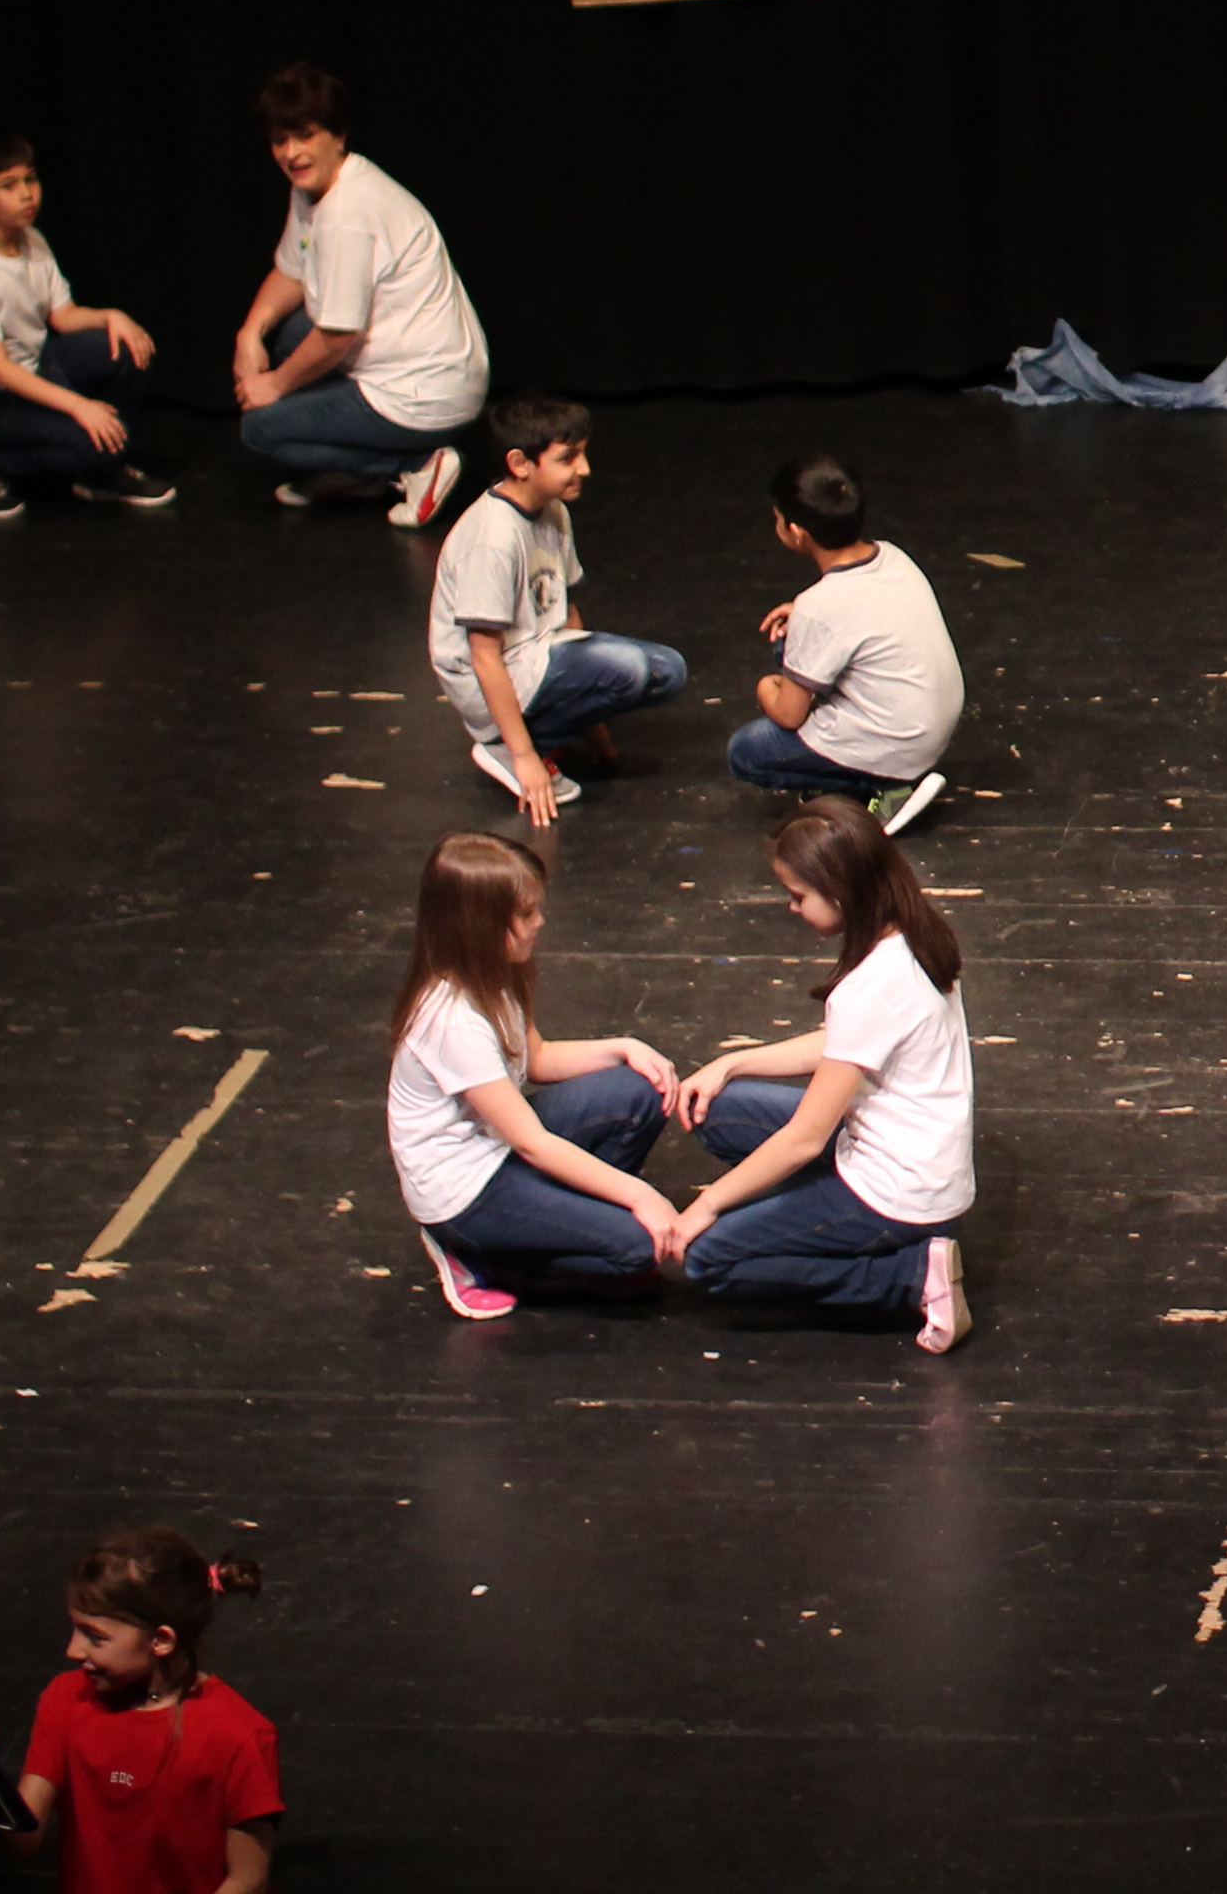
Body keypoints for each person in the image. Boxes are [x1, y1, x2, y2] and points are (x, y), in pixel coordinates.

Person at [665, 801, 981, 1354]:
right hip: (919, 1163)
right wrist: (731, 1063)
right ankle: (815, 1218)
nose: (792, 907)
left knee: (709, 1258)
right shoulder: (916, 936)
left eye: (798, 895)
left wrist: (705, 1206)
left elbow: (804, 1139)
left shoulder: (871, 987)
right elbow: (849, 1046)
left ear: (840, 893)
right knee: (721, 1110)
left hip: (898, 1195)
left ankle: (907, 1277)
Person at [382, 832, 684, 1320]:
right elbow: (533, 1143)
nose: (539, 922)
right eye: (526, 914)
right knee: (638, 1253)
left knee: (638, 1089)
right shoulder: (450, 1021)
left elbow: (537, 1058)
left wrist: (624, 1047)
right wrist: (641, 1197)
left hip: (497, 1145)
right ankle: (479, 1256)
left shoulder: (494, 975)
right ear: (479, 926)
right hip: (467, 1190)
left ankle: (555, 1220)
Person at [0, 1528, 280, 1894]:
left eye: (95, 1637)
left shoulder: (239, 1735)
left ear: (161, 1640)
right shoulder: (67, 1698)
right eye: (75, 1630)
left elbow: (247, 1879)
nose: (73, 1650)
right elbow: (26, 1840)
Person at [225, 62, 490, 527]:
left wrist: (275, 385)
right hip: (414, 365)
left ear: (338, 135)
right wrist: (249, 333)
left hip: (425, 391)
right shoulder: (315, 188)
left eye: (305, 136)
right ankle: (361, 472)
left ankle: (411, 466)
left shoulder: (347, 212)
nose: (291, 153)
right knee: (290, 335)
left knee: (261, 430)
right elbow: (291, 271)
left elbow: (337, 336)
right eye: (280, 141)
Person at [425, 393, 686, 828]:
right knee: (630, 669)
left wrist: (594, 726)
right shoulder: (492, 539)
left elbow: (565, 614)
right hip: (491, 677)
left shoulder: (553, 512)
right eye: (568, 458)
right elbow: (483, 656)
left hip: (538, 654)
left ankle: (536, 734)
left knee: (666, 670)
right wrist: (525, 757)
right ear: (520, 463)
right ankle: (504, 746)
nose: (584, 469)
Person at [0, 131, 174, 521]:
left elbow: (63, 316)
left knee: (129, 347)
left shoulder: (32, 240)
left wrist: (111, 316)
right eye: (8, 186)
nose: (27, 195)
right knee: (91, 445)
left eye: (30, 180)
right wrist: (79, 407)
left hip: (35, 366)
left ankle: (102, 472)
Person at [728, 456, 962, 834]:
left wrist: (765, 687)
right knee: (789, 644)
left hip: (898, 746)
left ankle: (885, 788)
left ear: (796, 532)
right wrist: (801, 615)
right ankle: (879, 773)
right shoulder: (893, 555)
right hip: (927, 730)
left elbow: (788, 716)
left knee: (746, 752)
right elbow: (866, 612)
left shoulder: (819, 607)